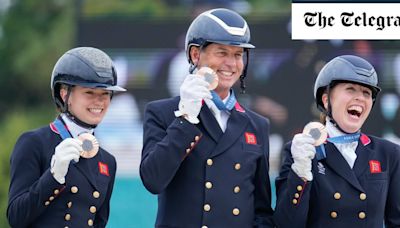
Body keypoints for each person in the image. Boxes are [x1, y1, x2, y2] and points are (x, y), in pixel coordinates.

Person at [140, 8, 274, 228]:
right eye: (222, 53)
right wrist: (185, 118)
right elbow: (153, 180)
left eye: (238, 54)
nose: (231, 64)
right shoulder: (162, 113)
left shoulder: (257, 125)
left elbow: (261, 210)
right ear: (195, 55)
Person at [274, 55, 400, 227]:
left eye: (366, 93)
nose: (360, 98)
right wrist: (300, 173)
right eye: (350, 89)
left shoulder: (388, 153)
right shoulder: (302, 151)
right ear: (326, 100)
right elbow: (286, 223)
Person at [7, 47, 126, 227]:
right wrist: (53, 177)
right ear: (65, 94)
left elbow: (99, 222)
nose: (99, 101)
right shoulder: (34, 143)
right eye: (89, 93)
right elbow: (16, 217)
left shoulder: (107, 161)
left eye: (105, 94)